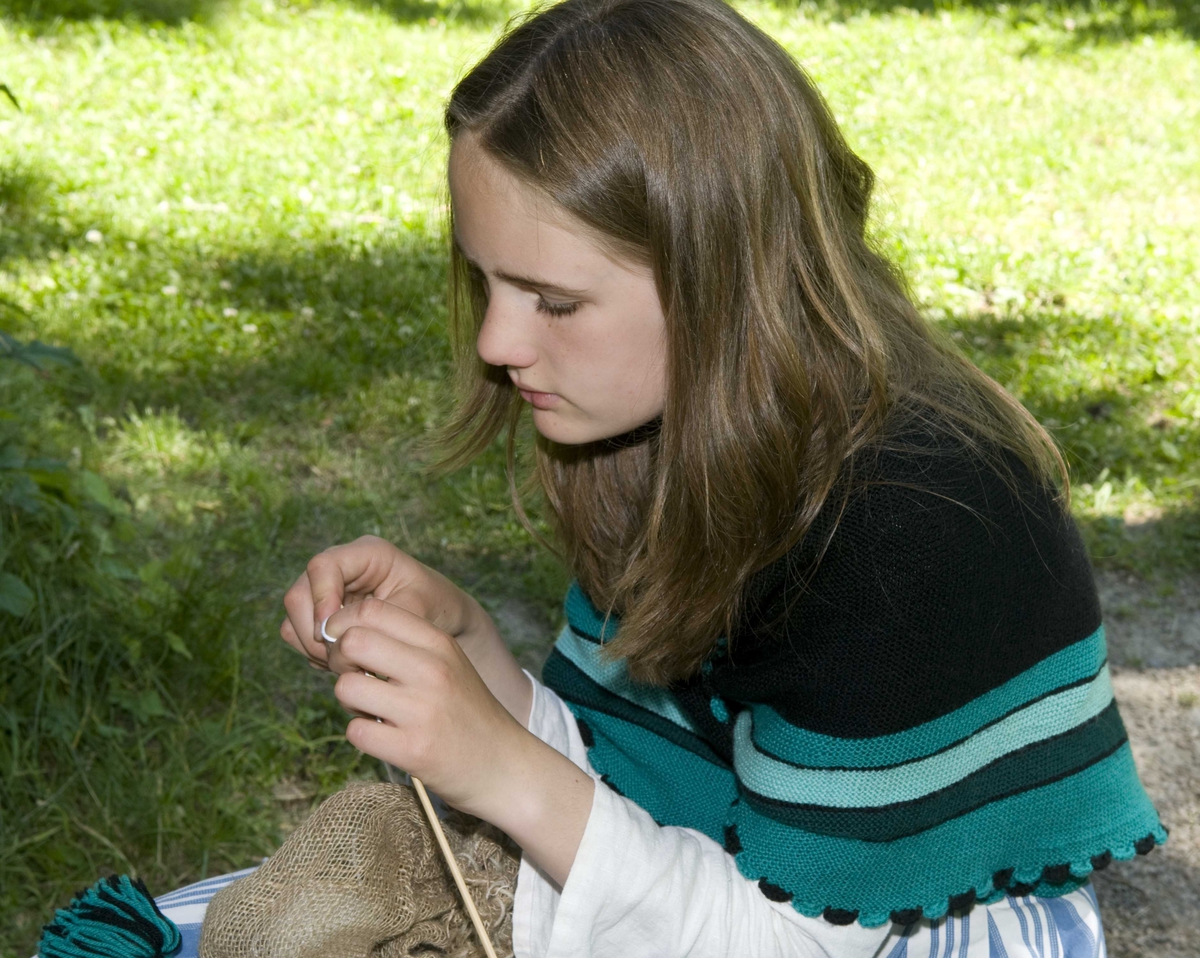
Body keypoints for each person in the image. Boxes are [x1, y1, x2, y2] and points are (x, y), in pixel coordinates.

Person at [260, 1, 1165, 955]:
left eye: (555, 301)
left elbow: (791, 938)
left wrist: (506, 774)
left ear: (725, 279)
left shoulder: (906, 527)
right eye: (485, 281)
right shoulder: (671, 432)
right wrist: (470, 651)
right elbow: (639, 786)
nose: (496, 342)